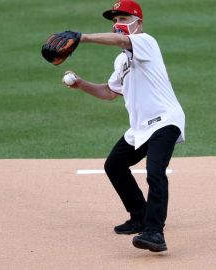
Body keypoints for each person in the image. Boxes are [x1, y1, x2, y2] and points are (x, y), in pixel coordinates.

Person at [64, 0, 185, 252]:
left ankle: (154, 233)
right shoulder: (121, 62)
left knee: (155, 171)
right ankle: (139, 215)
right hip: (140, 127)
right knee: (114, 165)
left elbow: (121, 41)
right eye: (115, 20)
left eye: (123, 19)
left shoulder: (146, 42)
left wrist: (81, 38)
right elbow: (109, 92)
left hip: (165, 120)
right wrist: (81, 84)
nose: (117, 24)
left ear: (138, 23)